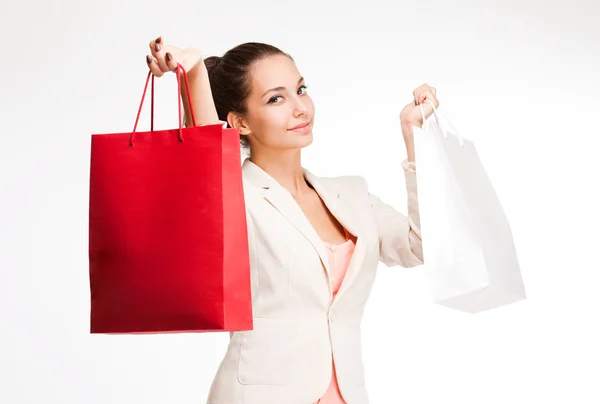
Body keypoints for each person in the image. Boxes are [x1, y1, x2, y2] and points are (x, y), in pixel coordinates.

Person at [145, 36, 439, 404]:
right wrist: (193, 75)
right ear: (240, 123)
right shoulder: (238, 197)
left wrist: (415, 137)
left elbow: (424, 246)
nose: (301, 108)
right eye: (276, 98)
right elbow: (205, 168)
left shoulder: (351, 195)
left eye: (301, 89)